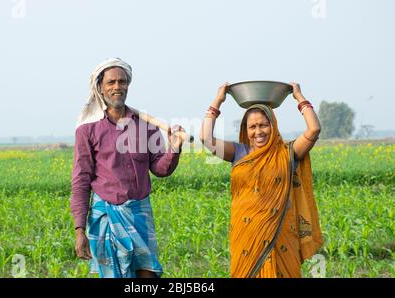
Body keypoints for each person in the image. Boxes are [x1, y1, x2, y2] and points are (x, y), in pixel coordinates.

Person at [71, 58, 186, 278]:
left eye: (122, 82)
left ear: (128, 85)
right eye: (111, 82)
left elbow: (160, 169)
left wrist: (174, 148)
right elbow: (81, 180)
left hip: (139, 213)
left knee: (148, 274)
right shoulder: (87, 130)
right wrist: (79, 230)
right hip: (105, 214)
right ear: (100, 87)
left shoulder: (146, 126)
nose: (117, 87)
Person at [200, 82, 323, 278]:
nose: (258, 132)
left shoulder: (288, 153)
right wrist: (218, 100)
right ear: (245, 129)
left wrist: (299, 97)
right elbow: (206, 138)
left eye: (264, 125)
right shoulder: (239, 152)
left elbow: (314, 130)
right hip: (246, 236)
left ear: (272, 126)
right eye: (252, 127)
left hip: (281, 236)